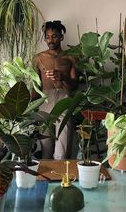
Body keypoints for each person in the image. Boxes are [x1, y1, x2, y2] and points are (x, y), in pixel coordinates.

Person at [32, 20, 78, 159]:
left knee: (62, 152)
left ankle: (62, 179)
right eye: (47, 36)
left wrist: (63, 77)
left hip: (65, 101)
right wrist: (26, 107)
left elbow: (74, 85)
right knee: (46, 148)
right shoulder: (38, 58)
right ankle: (47, 180)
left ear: (62, 37)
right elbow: (35, 86)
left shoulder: (71, 57)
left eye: (55, 36)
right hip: (45, 103)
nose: (50, 40)